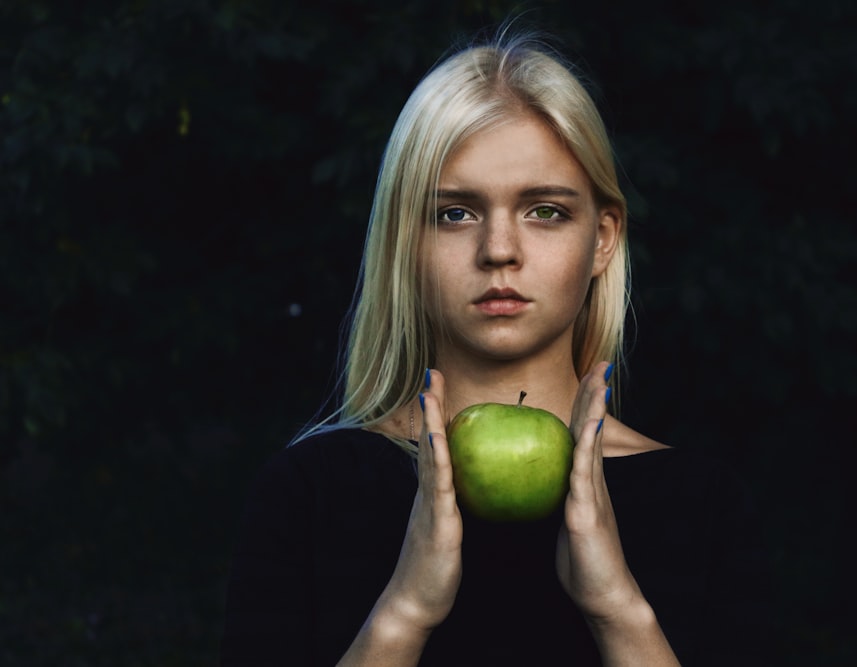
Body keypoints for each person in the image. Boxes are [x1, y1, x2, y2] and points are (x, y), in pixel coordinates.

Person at [221, 28, 774, 666]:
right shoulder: (307, 494)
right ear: (407, 243)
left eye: (544, 211)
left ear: (602, 239)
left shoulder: (704, 506)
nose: (500, 250)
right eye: (455, 212)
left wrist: (618, 608)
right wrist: (405, 610)